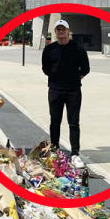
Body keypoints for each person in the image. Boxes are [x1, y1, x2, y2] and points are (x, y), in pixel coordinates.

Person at [41, 19, 90, 169]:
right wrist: (56, 77)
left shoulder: (78, 49)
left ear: (68, 31)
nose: (61, 32)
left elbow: (86, 68)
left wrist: (75, 78)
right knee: (54, 121)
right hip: (55, 90)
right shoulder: (49, 49)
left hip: (73, 90)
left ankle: (75, 153)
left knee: (73, 122)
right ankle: (55, 150)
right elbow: (45, 68)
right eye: (58, 30)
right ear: (55, 32)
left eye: (63, 29)